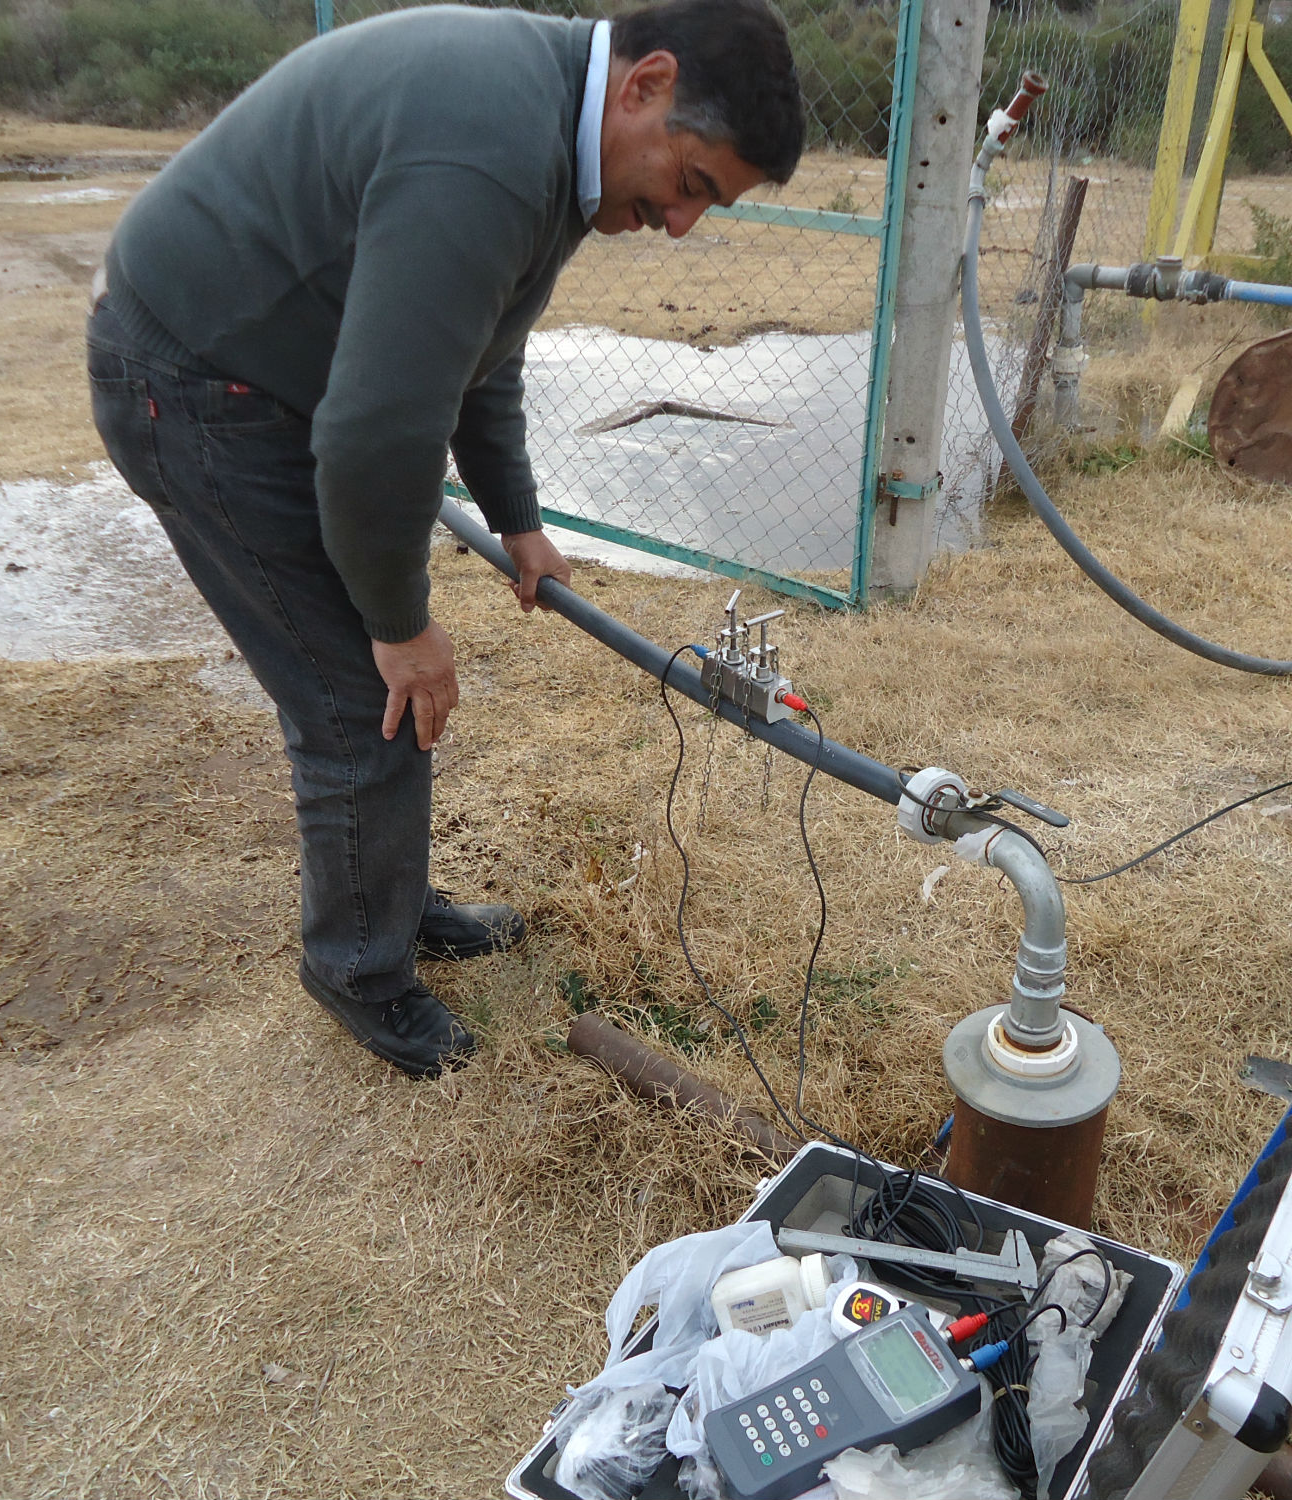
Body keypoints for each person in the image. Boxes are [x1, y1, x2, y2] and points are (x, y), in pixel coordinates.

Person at [85, 0, 805, 1079]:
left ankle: (389, 902)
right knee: (355, 698)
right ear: (644, 86)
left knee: (376, 696)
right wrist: (397, 621)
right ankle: (356, 970)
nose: (681, 222)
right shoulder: (494, 152)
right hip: (193, 380)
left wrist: (517, 519)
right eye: (692, 182)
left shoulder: (555, 134)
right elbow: (377, 434)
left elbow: (484, 346)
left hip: (265, 371)